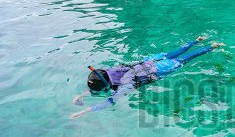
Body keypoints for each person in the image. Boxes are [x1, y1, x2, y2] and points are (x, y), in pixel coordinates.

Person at [70, 36, 224, 118]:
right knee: (177, 51)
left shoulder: (124, 86)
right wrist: (81, 95)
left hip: (160, 69)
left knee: (187, 59)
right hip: (152, 60)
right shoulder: (112, 70)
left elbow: (109, 102)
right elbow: (101, 85)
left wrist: (83, 111)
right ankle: (197, 40)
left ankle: (213, 46)